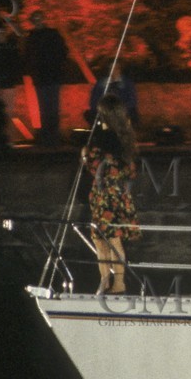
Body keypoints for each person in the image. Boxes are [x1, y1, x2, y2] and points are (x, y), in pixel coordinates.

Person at [82, 95, 141, 295]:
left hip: (105, 196)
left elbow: (94, 167)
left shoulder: (103, 139)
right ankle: (110, 281)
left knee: (106, 240)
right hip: (118, 194)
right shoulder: (126, 138)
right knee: (108, 239)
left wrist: (84, 155)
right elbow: (131, 171)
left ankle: (114, 282)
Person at [24, 11, 68, 146]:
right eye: (35, 19)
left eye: (39, 18)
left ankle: (53, 134)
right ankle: (47, 134)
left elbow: (63, 51)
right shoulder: (31, 37)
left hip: (52, 75)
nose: (38, 22)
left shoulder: (52, 34)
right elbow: (28, 57)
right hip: (41, 77)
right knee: (44, 107)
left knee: (52, 106)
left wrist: (56, 65)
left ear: (43, 19)